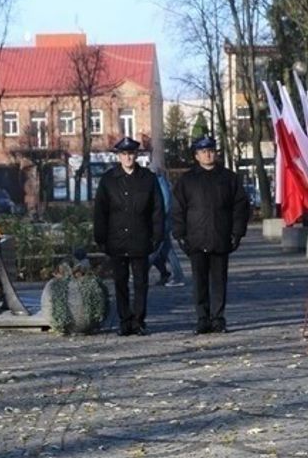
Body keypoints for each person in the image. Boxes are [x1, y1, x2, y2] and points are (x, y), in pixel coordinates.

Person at [171, 136, 250, 334]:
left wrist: (237, 233)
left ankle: (218, 318)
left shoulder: (228, 178)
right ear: (196, 155)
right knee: (199, 281)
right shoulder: (187, 180)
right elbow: (177, 209)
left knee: (219, 280)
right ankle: (202, 318)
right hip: (196, 238)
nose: (208, 154)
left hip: (220, 236)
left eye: (211, 150)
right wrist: (180, 235)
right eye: (203, 151)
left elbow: (240, 206)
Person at [92, 136, 164, 336]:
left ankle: (139, 321)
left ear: (136, 155)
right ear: (119, 157)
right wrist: (101, 238)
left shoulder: (148, 179)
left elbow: (157, 209)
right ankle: (125, 321)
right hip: (116, 239)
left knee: (141, 282)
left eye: (131, 154)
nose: (128, 158)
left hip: (141, 238)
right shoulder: (108, 180)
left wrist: (157, 236)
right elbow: (100, 211)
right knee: (120, 282)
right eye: (124, 154)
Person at [149, 170, 185, 287]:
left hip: (162, 221)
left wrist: (158, 217)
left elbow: (166, 204)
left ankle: (141, 271)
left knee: (154, 249)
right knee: (167, 250)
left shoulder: (160, 181)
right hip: (160, 221)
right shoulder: (157, 181)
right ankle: (169, 274)